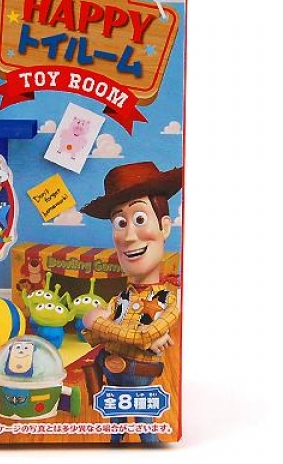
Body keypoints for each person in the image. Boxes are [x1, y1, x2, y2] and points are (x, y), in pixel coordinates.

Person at [80, 161, 182, 444]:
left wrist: (102, 323)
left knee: (146, 429)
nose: (128, 236)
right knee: (115, 428)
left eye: (139, 219)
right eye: (120, 223)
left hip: (140, 376)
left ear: (164, 227)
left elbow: (142, 335)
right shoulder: (120, 299)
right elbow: (90, 335)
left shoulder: (169, 299)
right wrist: (93, 323)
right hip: (110, 372)